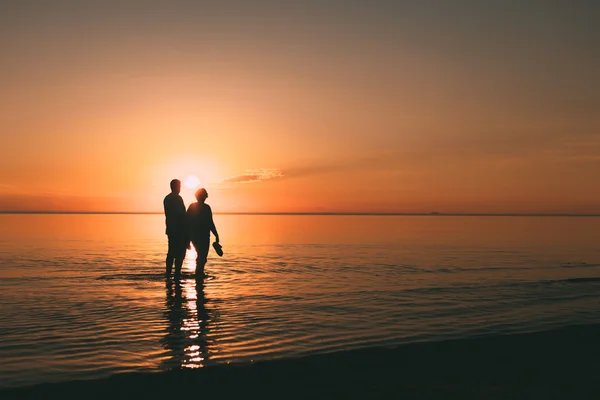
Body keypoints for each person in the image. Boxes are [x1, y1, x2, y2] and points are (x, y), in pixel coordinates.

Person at [186, 188, 219, 278]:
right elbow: (210, 223)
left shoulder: (196, 207)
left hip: (196, 236)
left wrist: (188, 239)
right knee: (202, 257)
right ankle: (199, 275)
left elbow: (187, 222)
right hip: (202, 237)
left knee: (201, 257)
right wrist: (216, 235)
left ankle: (199, 274)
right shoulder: (206, 208)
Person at [163, 179, 188, 279]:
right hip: (178, 229)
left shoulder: (167, 198)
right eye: (179, 186)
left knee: (171, 251)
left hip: (170, 229)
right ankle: (177, 272)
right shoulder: (177, 198)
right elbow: (181, 214)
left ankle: (168, 272)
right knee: (180, 252)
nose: (180, 188)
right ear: (176, 186)